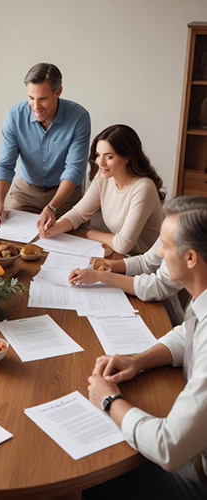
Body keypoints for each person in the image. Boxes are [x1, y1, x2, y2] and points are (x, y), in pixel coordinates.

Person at [85, 196, 207, 500]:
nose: (160, 253)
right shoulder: (202, 295)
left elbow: (168, 447)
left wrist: (110, 400)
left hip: (198, 478)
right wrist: (138, 360)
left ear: (190, 258)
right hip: (194, 453)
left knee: (92, 478)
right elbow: (187, 334)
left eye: (165, 245)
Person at [0, 62, 91, 231]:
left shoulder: (79, 117)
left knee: (71, 247)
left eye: (42, 99)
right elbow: (4, 165)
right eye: (31, 98)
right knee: (16, 245)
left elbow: (74, 170)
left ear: (58, 92)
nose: (36, 107)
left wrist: (52, 207)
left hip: (65, 198)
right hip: (26, 194)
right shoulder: (15, 116)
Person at [39, 124, 164, 255]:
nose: (101, 162)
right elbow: (78, 214)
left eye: (109, 157)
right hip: (118, 253)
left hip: (145, 261)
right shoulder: (104, 176)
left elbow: (123, 245)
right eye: (98, 155)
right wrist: (52, 229)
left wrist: (90, 233)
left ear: (128, 157)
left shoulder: (143, 188)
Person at [68, 237, 185, 325]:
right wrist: (109, 265)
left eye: (165, 245)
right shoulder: (176, 219)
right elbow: (147, 261)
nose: (160, 253)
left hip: (167, 314)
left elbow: (156, 286)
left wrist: (102, 276)